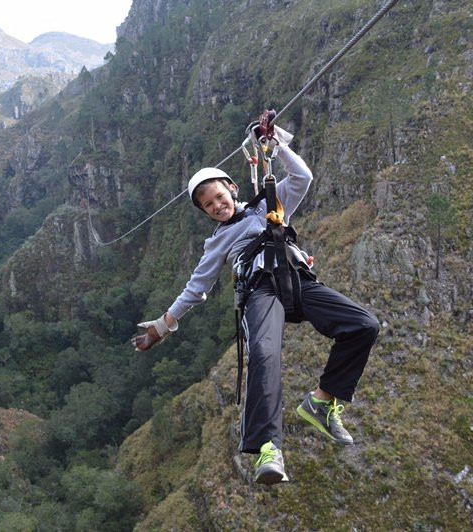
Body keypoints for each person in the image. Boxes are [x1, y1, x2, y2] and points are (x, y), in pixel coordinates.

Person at [131, 116, 379, 485]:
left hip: (296, 281)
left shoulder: (267, 205)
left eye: (218, 197)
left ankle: (322, 401)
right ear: (204, 213)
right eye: (208, 205)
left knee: (364, 325)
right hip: (260, 292)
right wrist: (162, 327)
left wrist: (276, 144)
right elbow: (196, 287)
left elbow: (302, 178)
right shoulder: (216, 242)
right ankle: (268, 447)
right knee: (265, 355)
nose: (216, 206)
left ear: (232, 189)